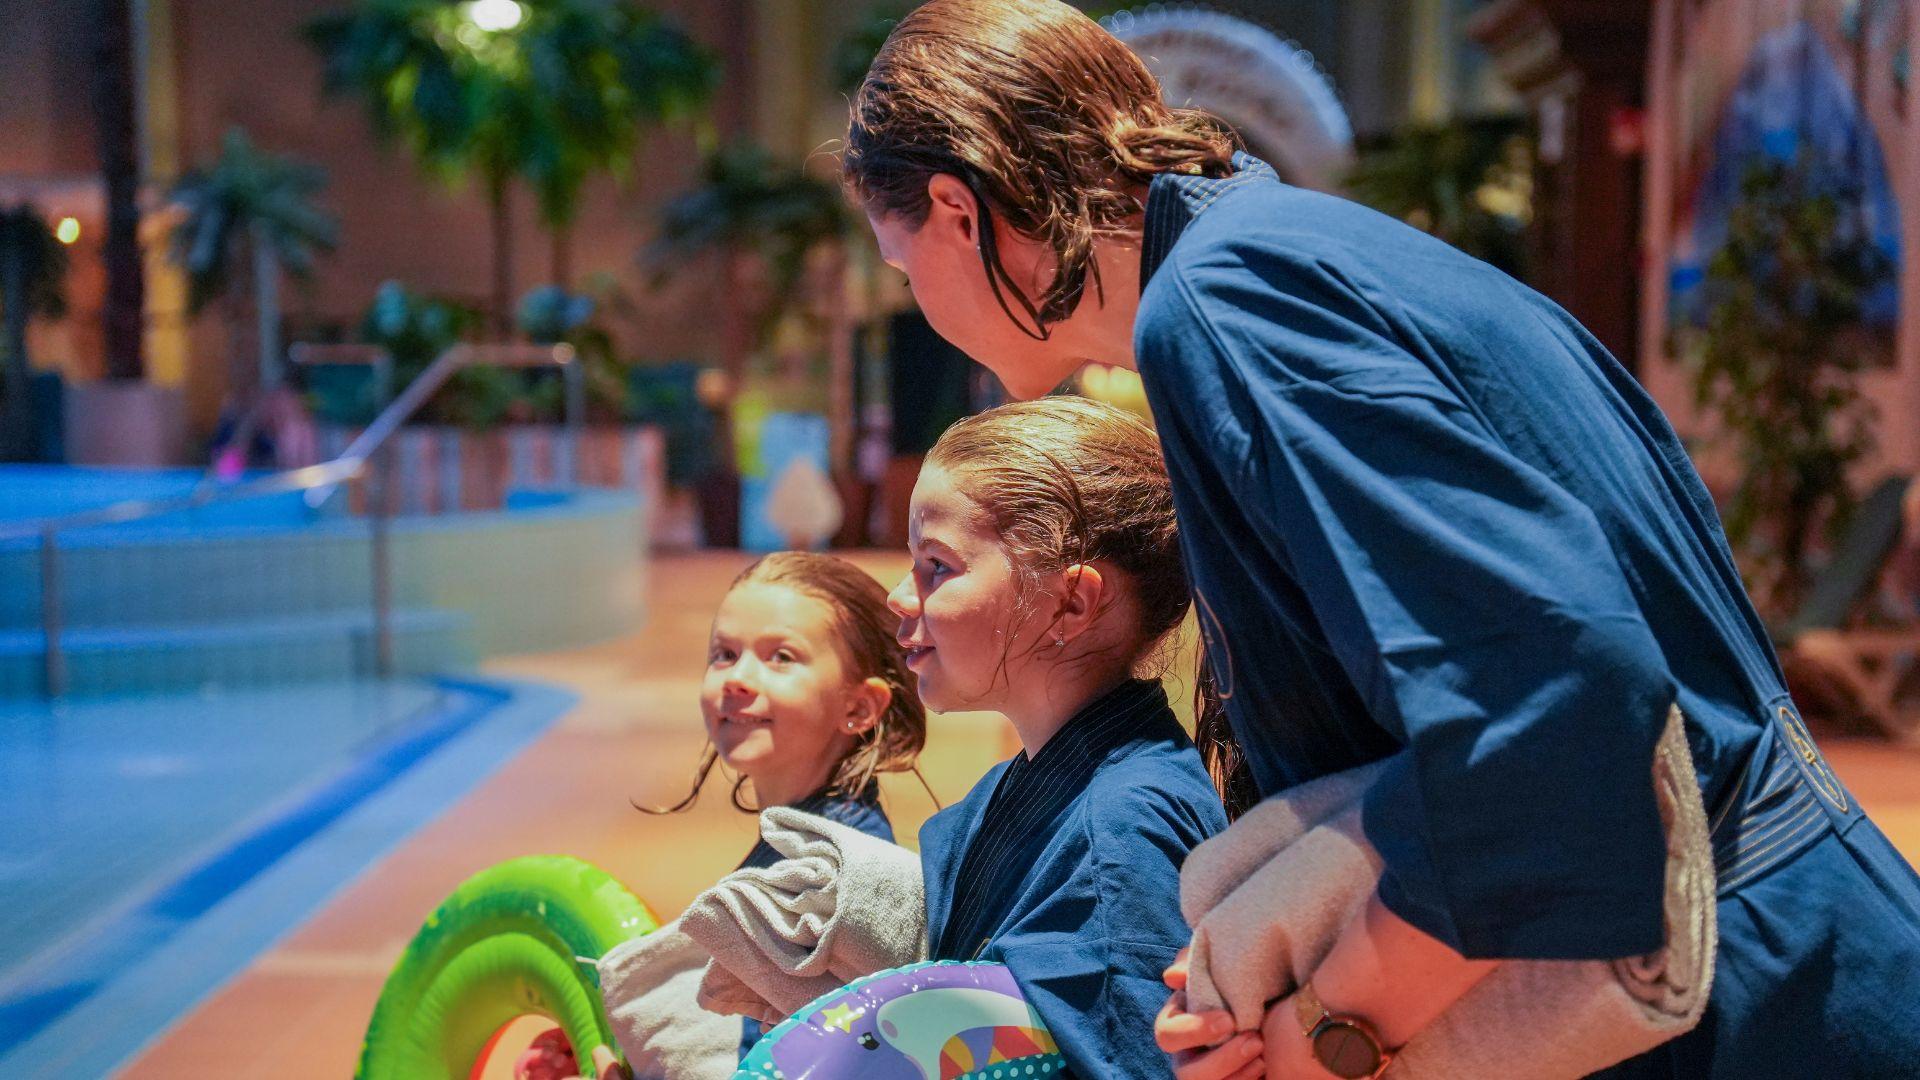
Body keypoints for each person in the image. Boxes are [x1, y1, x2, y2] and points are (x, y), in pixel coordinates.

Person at [844, 3, 1920, 1078]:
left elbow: (1549, 702)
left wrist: (1334, 1028)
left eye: (901, 267)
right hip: (1783, 938)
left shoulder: (1228, 301)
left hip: (1755, 998)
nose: (919, 303)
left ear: (958, 209)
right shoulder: (1289, 250)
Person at [889, 396, 1231, 1078]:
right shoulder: (1021, 788)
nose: (900, 596)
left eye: (937, 567)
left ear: (1071, 603)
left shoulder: (1120, 828)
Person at [522, 551, 930, 1080]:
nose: (737, 678)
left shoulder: (829, 892)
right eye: (724, 654)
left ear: (857, 708)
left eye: (781, 656)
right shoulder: (796, 854)